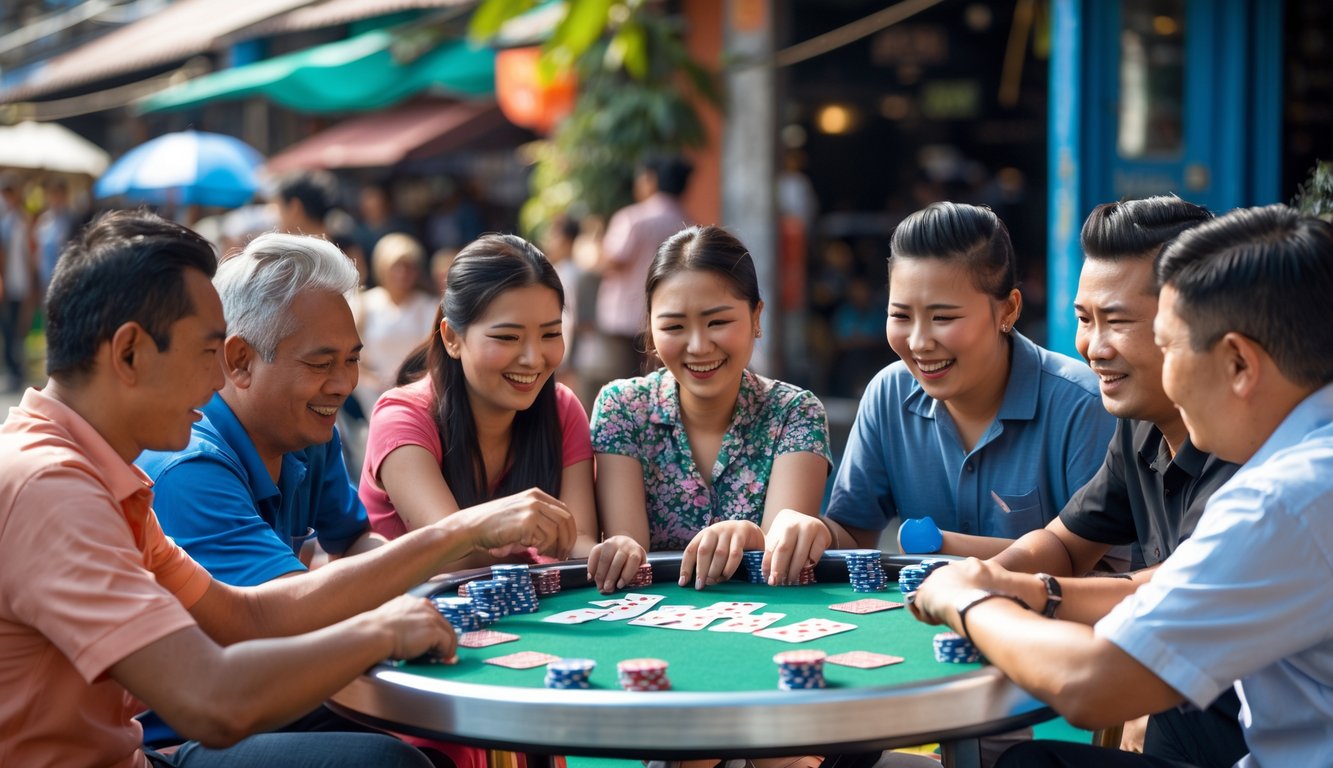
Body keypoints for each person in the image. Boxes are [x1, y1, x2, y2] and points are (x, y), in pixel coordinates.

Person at [0, 209, 576, 767]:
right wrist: (384, 623)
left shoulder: (102, 476)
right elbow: (211, 702)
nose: (214, 381)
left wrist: (454, 539)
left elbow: (246, 617)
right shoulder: (56, 489)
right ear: (129, 353)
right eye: (207, 353)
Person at [911, 204, 1333, 768]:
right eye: (1084, 320)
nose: (1092, 349)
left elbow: (1089, 683)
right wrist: (1023, 586)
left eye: (1171, 343)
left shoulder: (1280, 498)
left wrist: (970, 599)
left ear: (1238, 363)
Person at [981, 197, 1245, 766]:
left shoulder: (1259, 465)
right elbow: (1065, 543)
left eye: (1118, 321)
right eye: (1083, 318)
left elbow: (1157, 593)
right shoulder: (1139, 427)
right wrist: (990, 578)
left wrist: (993, 597)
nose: (1093, 348)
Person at [822, 202, 1116, 555]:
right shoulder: (888, 394)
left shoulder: (1082, 405)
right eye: (900, 315)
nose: (918, 343)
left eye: (942, 318)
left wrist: (941, 545)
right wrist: (812, 533)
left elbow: (1106, 571)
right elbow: (852, 539)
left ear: (1008, 309)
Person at [588, 225, 833, 594]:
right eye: (674, 326)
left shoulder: (795, 412)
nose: (699, 347)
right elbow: (630, 557)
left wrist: (750, 535)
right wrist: (619, 549)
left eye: (718, 322)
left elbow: (781, 563)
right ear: (651, 330)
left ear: (756, 318)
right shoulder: (621, 408)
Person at [136, 232, 378, 588]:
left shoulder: (309, 433)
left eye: (352, 359)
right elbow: (281, 611)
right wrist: (450, 536)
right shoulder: (189, 465)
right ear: (241, 361)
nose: (344, 384)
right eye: (321, 363)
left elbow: (354, 539)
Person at [360, 233, 599, 570]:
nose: (533, 359)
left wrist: (609, 553)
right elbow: (449, 553)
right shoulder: (401, 417)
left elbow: (576, 541)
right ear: (452, 338)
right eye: (507, 337)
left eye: (550, 334)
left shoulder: (562, 408)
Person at [591, 154, 694, 385]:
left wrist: (593, 248)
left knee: (622, 389)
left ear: (650, 179)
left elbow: (612, 260)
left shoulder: (633, 218)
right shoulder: (688, 223)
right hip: (669, 319)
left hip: (624, 321)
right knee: (659, 386)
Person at [353, 232, 440, 414]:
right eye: (396, 266)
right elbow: (352, 352)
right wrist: (370, 381)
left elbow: (434, 352)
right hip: (370, 395)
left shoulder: (428, 306)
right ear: (383, 267)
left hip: (419, 392)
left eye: (409, 267)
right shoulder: (365, 304)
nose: (402, 274)